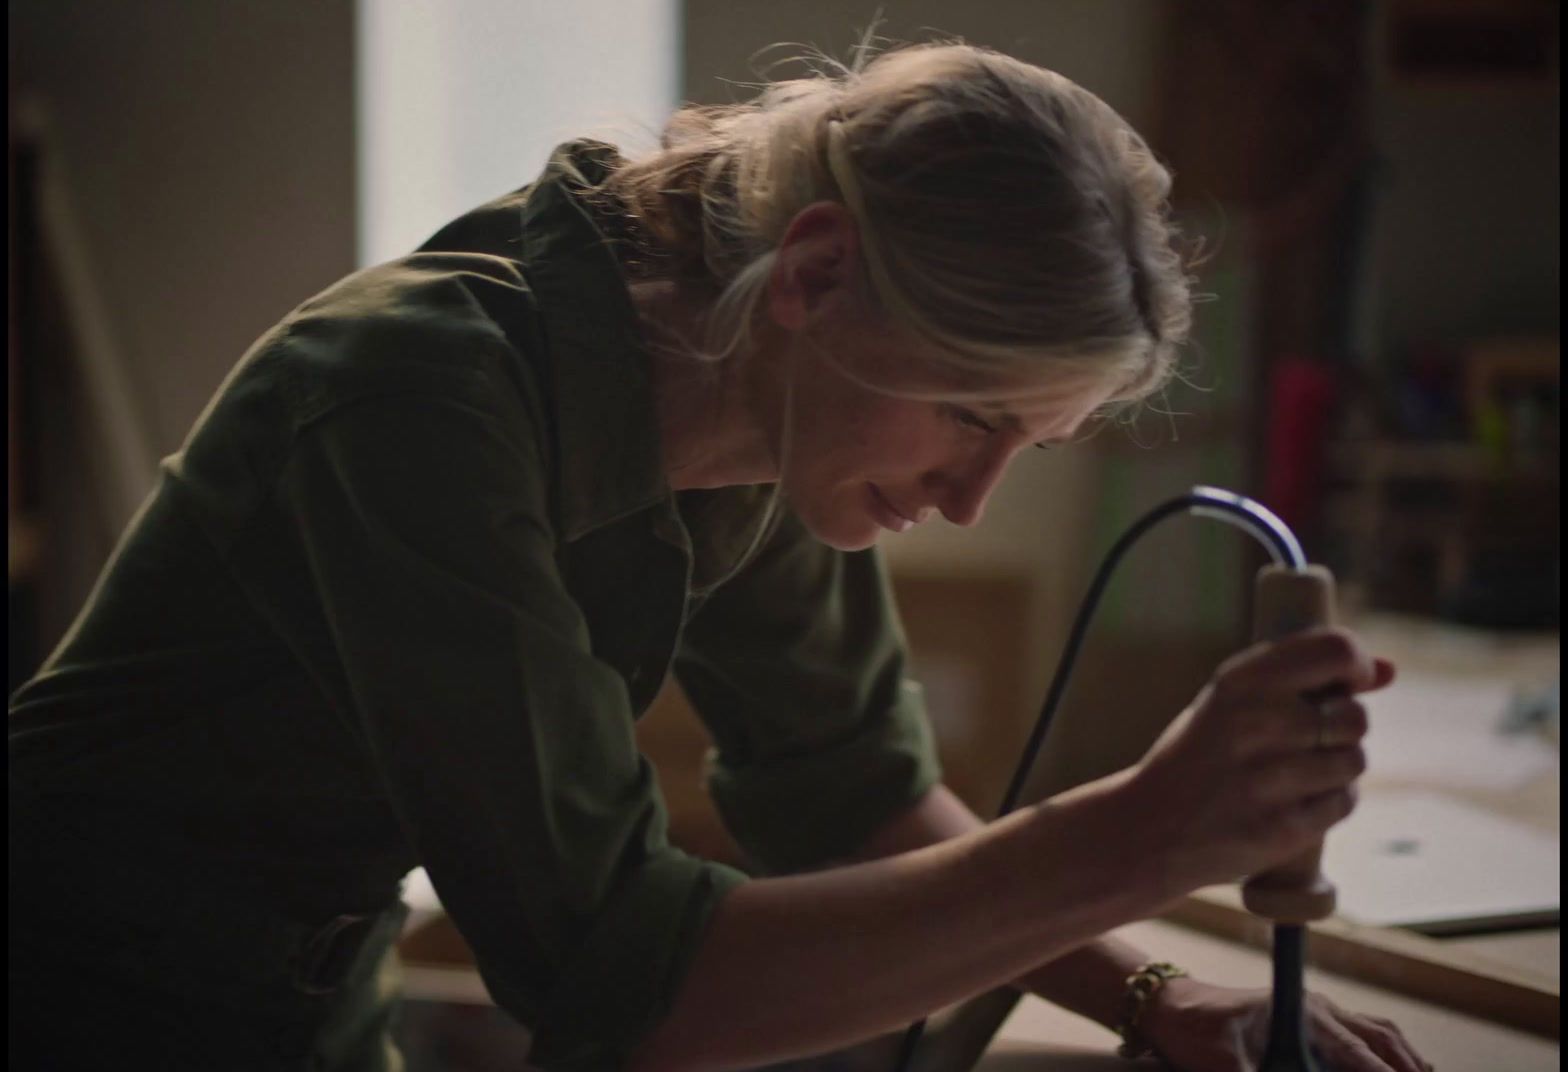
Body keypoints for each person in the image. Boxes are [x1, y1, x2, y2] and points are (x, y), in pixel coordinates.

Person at [8, 42, 1429, 1072]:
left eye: (1028, 447)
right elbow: (623, 979)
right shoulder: (416, 400)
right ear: (812, 272)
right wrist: (1137, 833)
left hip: (304, 1007)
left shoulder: (759, 414)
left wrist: (1155, 991)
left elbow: (863, 797)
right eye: (970, 416)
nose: (971, 500)